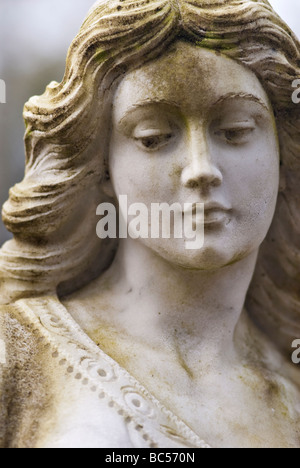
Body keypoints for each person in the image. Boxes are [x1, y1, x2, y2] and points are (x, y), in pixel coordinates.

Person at [0, 0, 299, 448]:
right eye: (153, 138)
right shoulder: (15, 355)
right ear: (101, 169)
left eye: (235, 130)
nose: (201, 169)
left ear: (282, 153)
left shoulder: (292, 388)